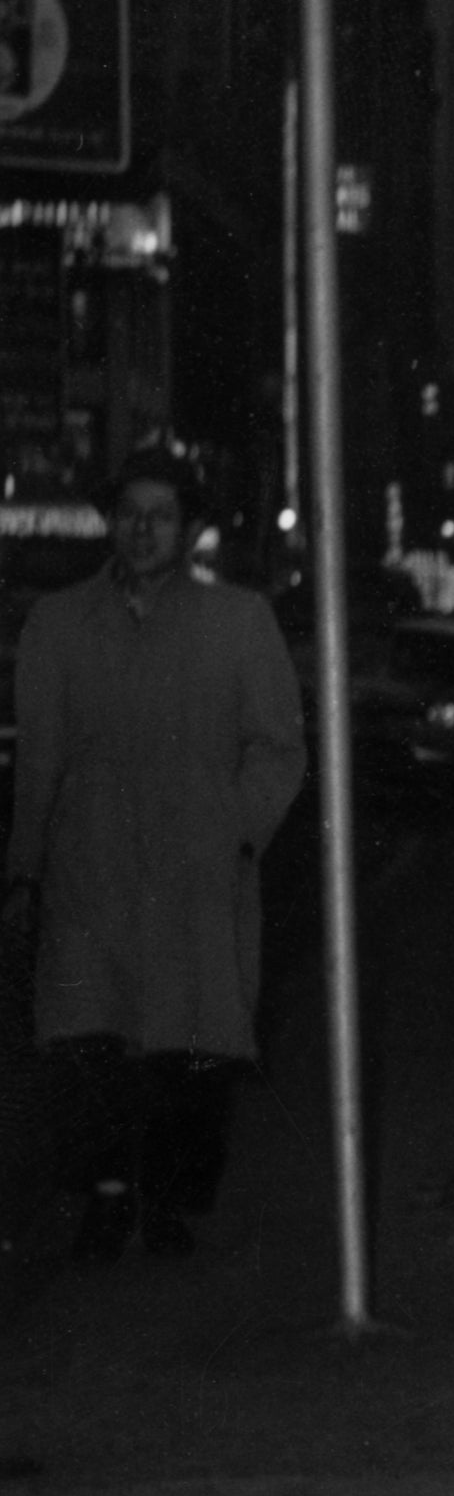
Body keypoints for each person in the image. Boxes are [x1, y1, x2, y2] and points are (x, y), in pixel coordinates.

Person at [4, 446, 306, 1261]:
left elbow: (278, 748)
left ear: (188, 527)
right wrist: (25, 871)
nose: (144, 530)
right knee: (89, 1046)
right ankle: (105, 1196)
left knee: (189, 1049)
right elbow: (40, 759)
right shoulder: (59, 624)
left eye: (161, 515)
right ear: (110, 521)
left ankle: (170, 1202)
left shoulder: (237, 623)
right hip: (89, 872)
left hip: (194, 877)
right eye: (130, 513)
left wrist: (234, 830)